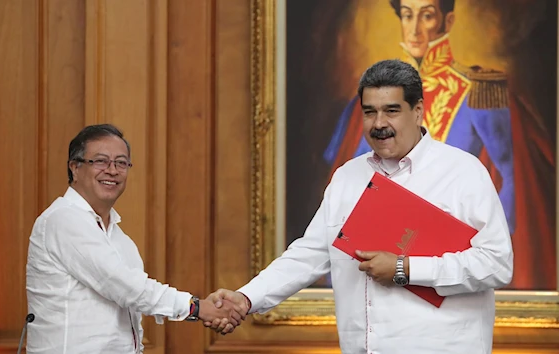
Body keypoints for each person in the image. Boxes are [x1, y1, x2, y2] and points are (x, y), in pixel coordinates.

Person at [206, 60, 514, 354]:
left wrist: (404, 268)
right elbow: (309, 255)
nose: (379, 124)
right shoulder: (347, 177)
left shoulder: (463, 172)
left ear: (418, 111)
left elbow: (497, 265)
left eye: (391, 111)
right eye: (370, 112)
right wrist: (246, 298)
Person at [25, 124, 245, 353]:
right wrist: (197, 308)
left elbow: (133, 309)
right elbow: (122, 285)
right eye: (100, 161)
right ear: (75, 167)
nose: (112, 170)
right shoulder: (62, 219)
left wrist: (201, 309)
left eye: (121, 163)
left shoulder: (122, 241)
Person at [324, 0, 516, 235]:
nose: (414, 30)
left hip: (448, 249)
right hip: (380, 240)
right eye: (407, 15)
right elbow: (356, 183)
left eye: (426, 16)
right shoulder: (375, 97)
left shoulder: (478, 91)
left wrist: (485, 251)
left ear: (447, 21)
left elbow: (511, 179)